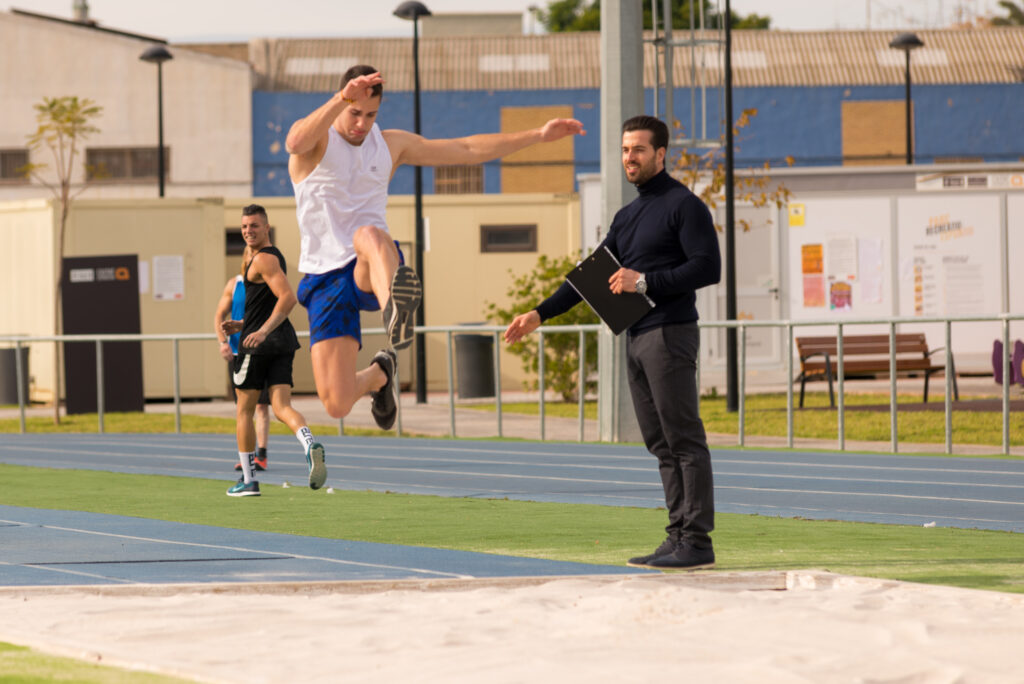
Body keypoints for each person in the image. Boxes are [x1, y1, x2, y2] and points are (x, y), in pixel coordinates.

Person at [284, 64, 586, 443]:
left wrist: (538, 135)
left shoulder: (390, 144)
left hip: (372, 264)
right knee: (337, 403)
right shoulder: (317, 143)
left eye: (371, 115)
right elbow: (294, 141)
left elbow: (465, 148)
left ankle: (396, 309)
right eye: (355, 113)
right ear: (342, 102)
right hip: (324, 276)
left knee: (370, 235)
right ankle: (381, 373)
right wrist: (341, 97)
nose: (362, 124)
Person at [503, 115, 721, 570]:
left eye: (639, 149)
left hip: (670, 333)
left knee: (683, 439)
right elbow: (591, 277)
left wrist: (645, 282)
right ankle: (677, 533)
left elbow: (707, 268)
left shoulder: (685, 206)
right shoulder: (629, 215)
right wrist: (539, 314)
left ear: (661, 154)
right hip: (637, 337)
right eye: (625, 150)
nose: (630, 157)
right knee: (660, 443)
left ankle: (697, 543)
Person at [220, 204, 326, 497]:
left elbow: (288, 298)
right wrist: (244, 324)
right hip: (281, 343)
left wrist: (260, 331)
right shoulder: (267, 259)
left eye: (254, 226)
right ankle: (309, 445)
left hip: (260, 346)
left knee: (244, 410)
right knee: (281, 407)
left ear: (267, 228)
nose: (248, 231)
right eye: (244, 227)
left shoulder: (263, 260)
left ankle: (249, 481)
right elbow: (267, 306)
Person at [215, 246, 271, 472]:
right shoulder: (234, 283)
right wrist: (222, 343)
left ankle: (262, 455)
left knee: (262, 407)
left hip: (261, 352)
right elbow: (219, 315)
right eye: (250, 255)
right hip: (238, 352)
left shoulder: (268, 282)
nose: (253, 259)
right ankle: (246, 455)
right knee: (243, 409)